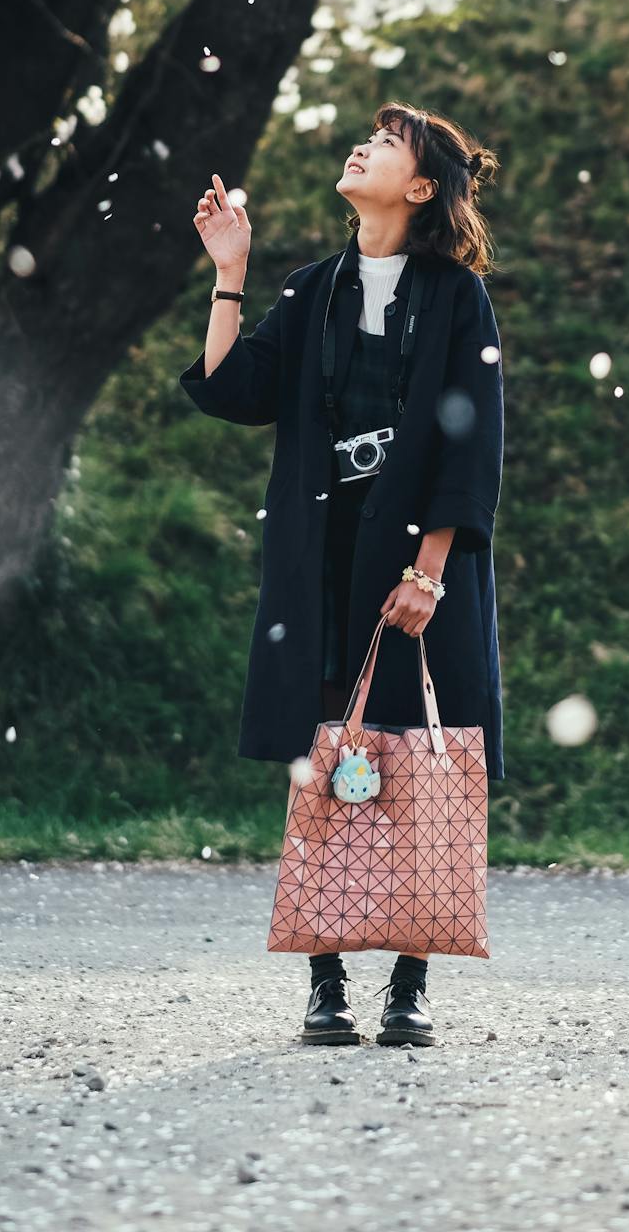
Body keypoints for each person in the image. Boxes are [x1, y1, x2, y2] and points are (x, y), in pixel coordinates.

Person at [181, 101, 504, 1048]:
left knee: (421, 760)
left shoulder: (456, 296)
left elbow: (472, 434)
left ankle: (411, 982)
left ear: (419, 187)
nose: (363, 146)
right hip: (320, 561)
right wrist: (230, 273)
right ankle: (325, 980)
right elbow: (236, 390)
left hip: (416, 565)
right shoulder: (314, 288)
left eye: (388, 142)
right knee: (324, 757)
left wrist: (431, 569)